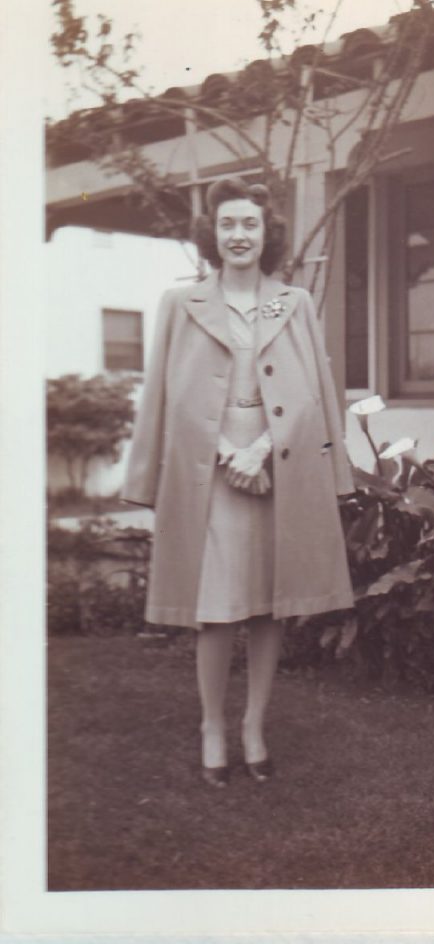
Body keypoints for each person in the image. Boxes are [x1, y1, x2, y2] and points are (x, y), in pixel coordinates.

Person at [122, 177, 354, 788]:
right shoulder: (182, 304)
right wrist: (230, 453)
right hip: (211, 471)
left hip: (276, 465)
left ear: (266, 233)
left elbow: (313, 395)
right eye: (227, 224)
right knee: (217, 608)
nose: (239, 235)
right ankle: (210, 727)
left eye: (249, 223)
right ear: (213, 236)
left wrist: (261, 452)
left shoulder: (294, 304)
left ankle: (254, 725)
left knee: (268, 606)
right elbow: (165, 395)